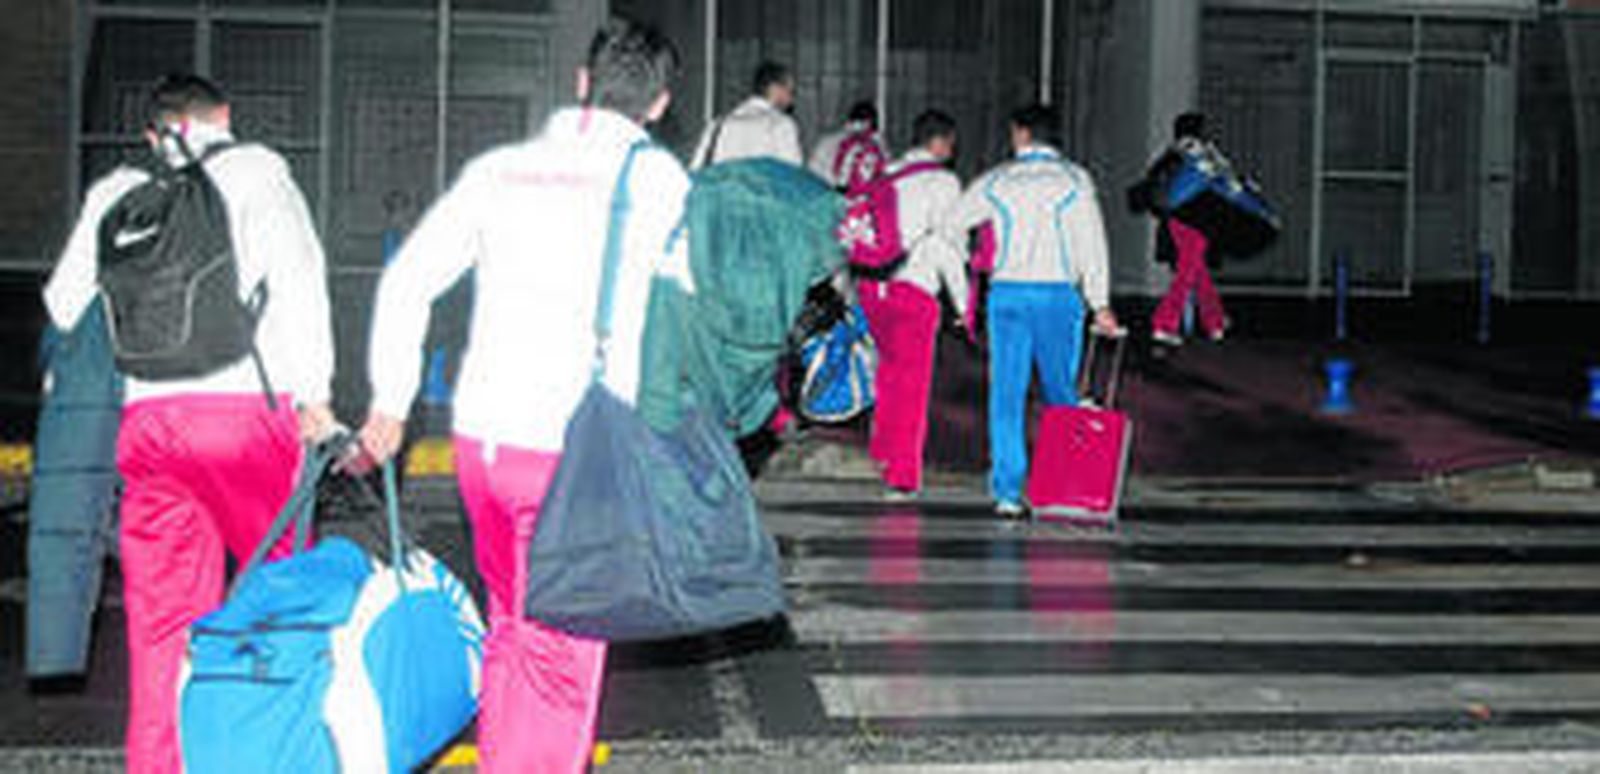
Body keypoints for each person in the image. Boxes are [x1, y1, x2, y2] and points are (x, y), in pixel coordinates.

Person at [358, 18, 691, 774]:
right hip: (577, 453)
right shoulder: (660, 182)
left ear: (582, 83)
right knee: (562, 663)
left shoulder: (500, 169)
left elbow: (408, 278)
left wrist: (390, 404)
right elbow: (691, 307)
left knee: (512, 629)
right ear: (660, 103)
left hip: (483, 445)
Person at [42, 73, 335, 774]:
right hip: (248, 421)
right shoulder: (260, 172)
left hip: (148, 427)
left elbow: (62, 304)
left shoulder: (117, 191)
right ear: (224, 115)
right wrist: (316, 397)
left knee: (162, 628)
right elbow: (301, 280)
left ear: (153, 132)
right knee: (276, 608)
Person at [945, 103, 1120, 517]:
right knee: (1060, 392)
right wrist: (1100, 303)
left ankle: (1007, 492)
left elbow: (952, 223)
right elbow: (1092, 244)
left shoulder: (997, 179)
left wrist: (974, 258)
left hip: (1006, 294)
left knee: (1007, 394)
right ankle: (1063, 486)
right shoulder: (1075, 179)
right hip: (1057, 295)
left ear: (1020, 134)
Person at [858, 109, 969, 498]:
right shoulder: (943, 181)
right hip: (914, 290)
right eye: (951, 143)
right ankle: (902, 475)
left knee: (887, 374)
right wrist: (963, 303)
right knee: (912, 386)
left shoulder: (886, 174)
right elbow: (949, 246)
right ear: (940, 142)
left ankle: (881, 453)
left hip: (873, 287)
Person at [1139, 111, 1232, 346]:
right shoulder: (1204, 151)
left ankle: (1215, 321)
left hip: (1175, 218)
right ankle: (1163, 324)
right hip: (1197, 218)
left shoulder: (1173, 152)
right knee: (1187, 272)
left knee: (1196, 269)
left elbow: (1154, 182)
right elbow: (1224, 177)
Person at [690, 60, 803, 168]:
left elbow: (696, 169)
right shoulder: (781, 125)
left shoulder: (718, 125)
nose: (791, 100)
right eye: (790, 91)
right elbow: (793, 174)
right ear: (775, 89)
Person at [809, 100, 886, 190]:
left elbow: (879, 169)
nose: (860, 126)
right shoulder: (838, 143)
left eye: (864, 122)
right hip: (837, 189)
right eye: (857, 122)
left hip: (863, 191)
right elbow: (819, 168)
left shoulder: (875, 147)